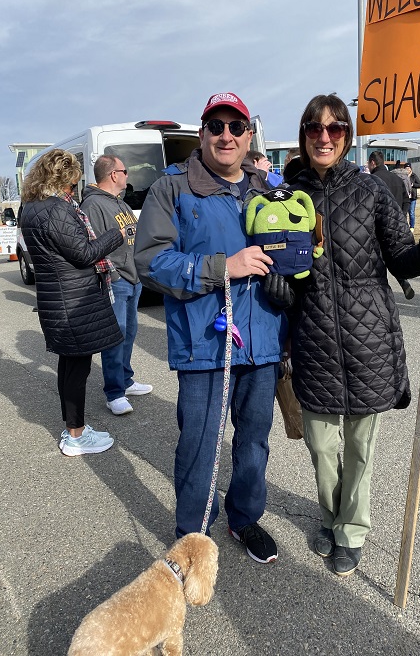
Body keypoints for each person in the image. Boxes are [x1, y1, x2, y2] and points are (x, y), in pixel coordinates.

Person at [276, 93, 420, 577]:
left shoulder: (372, 191)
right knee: (320, 444)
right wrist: (276, 287)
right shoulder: (285, 197)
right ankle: (329, 514)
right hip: (312, 337)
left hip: (367, 338)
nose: (324, 136)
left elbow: (401, 258)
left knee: (360, 445)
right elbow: (276, 272)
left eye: (335, 129)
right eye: (315, 128)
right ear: (303, 135)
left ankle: (350, 529)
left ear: (347, 138)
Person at [134, 92, 286, 563]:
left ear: (248, 137)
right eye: (215, 126)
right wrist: (224, 267)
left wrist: (291, 282)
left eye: (235, 127)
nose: (226, 135)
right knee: (200, 445)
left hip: (261, 341)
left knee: (255, 441)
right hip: (206, 344)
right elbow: (150, 261)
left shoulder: (267, 190)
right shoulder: (173, 188)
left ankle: (244, 519)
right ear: (201, 135)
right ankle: (192, 534)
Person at [20, 149, 125, 456]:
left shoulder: (33, 207)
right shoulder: (56, 209)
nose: (75, 186)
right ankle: (76, 435)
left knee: (69, 366)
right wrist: (114, 236)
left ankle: (73, 427)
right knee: (77, 370)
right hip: (72, 300)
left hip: (59, 298)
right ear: (65, 176)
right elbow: (83, 253)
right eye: (74, 179)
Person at [81, 155, 153, 416]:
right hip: (117, 280)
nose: (128, 176)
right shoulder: (93, 205)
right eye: (125, 171)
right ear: (113, 174)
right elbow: (95, 247)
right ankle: (114, 393)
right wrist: (115, 276)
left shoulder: (118, 203)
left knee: (129, 333)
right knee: (115, 336)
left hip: (133, 278)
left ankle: (126, 380)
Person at [368, 150, 414, 300]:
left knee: (377, 259)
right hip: (396, 223)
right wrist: (401, 215)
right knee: (394, 254)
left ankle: (380, 290)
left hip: (376, 223)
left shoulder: (371, 180)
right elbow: (407, 199)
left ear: (373, 163)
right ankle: (402, 280)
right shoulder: (397, 178)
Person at [405, 162, 420, 232]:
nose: (407, 170)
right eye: (406, 168)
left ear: (411, 169)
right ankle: (405, 226)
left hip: (412, 197)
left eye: (408, 168)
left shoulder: (414, 176)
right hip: (405, 197)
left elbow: (419, 184)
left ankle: (412, 226)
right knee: (404, 212)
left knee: (411, 212)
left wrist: (413, 184)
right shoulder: (403, 176)